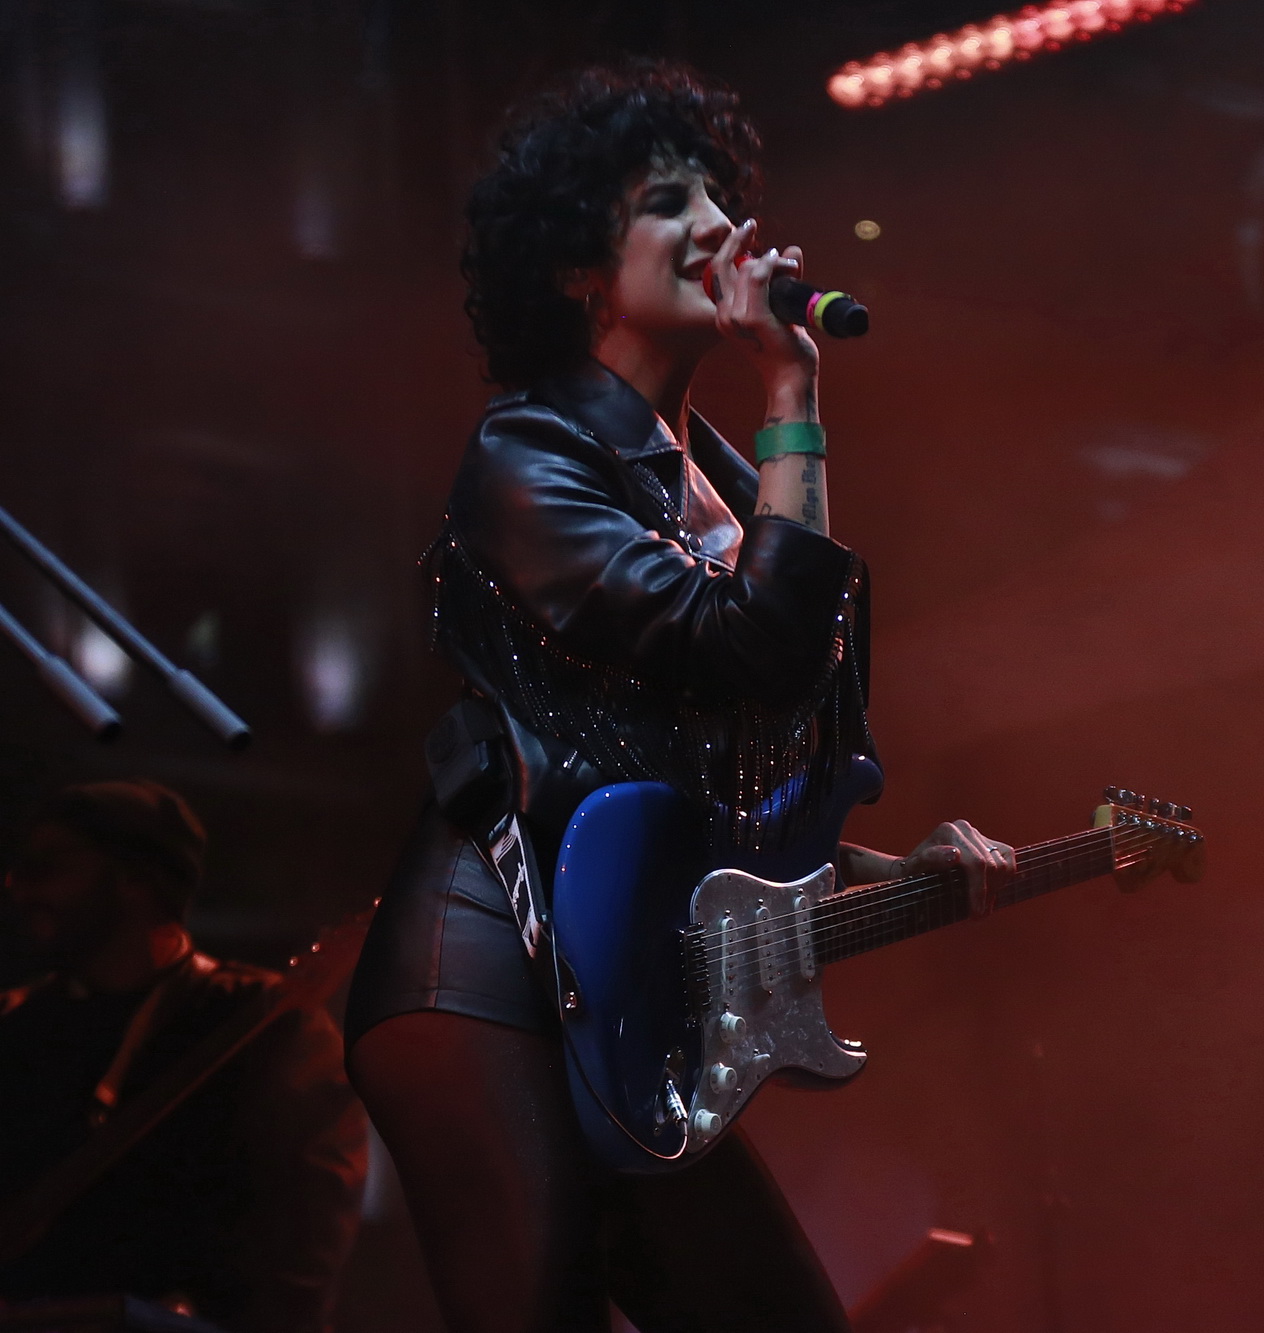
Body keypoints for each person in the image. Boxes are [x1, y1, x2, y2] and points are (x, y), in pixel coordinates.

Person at [342, 60, 1014, 1333]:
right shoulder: (528, 455)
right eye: (667, 203)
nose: (717, 225)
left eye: (718, 195)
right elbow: (749, 649)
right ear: (576, 272)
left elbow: (726, 784)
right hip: (484, 975)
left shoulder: (724, 482)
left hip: (625, 976)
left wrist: (888, 870)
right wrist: (792, 392)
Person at [0, 779, 366, 1333]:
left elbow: (298, 1253)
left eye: (47, 866)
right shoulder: (12, 1023)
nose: (17, 886)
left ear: (135, 879)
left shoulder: (269, 1024)